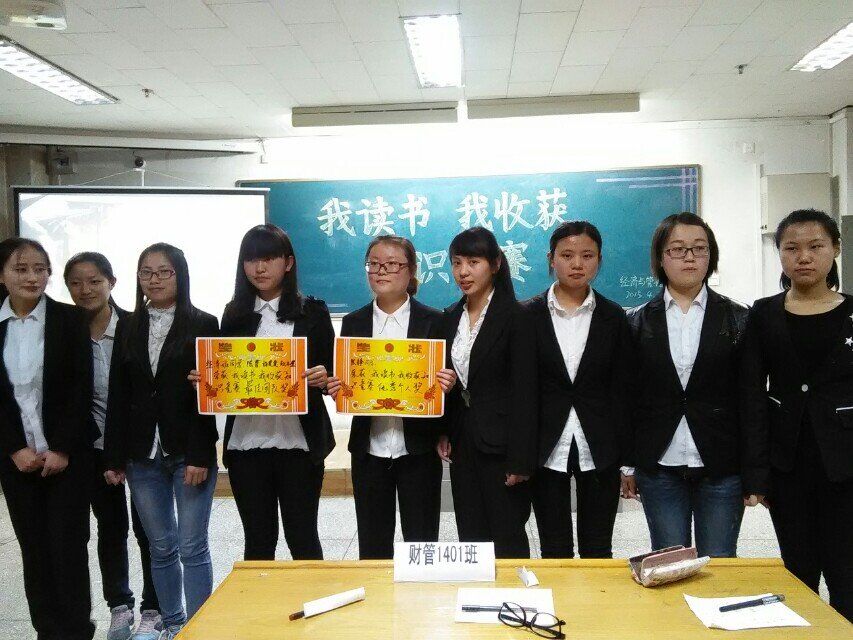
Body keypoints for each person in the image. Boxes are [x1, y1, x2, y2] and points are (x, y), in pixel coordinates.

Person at [740, 209, 853, 622]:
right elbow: (751, 395)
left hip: (845, 464)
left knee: (846, 572)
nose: (803, 257)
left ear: (835, 249)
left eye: (815, 246)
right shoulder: (763, 313)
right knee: (798, 571)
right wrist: (756, 473)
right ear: (780, 254)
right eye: (791, 248)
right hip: (787, 463)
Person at [104, 243, 219, 640]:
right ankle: (173, 623)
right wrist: (114, 457)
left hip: (188, 452)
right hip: (141, 455)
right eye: (146, 272)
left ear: (179, 276)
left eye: (163, 271)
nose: (154, 280)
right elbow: (119, 393)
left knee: (191, 545)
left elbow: (209, 397)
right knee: (161, 547)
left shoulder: (204, 323)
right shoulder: (128, 325)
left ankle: (200, 627)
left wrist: (201, 453)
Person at [623, 212, 748, 558]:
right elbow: (628, 397)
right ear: (661, 258)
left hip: (721, 464)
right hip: (659, 465)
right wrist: (628, 465)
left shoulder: (739, 318)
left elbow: (749, 398)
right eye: (678, 249)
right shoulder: (635, 321)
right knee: (669, 562)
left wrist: (754, 471)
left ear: (711, 255)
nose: (690, 257)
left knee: (719, 561)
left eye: (699, 248)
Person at [327, 235, 456, 559]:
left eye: (392, 264)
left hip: (418, 450)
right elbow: (348, 381)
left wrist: (448, 385)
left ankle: (419, 593)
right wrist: (338, 387)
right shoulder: (354, 322)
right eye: (374, 264)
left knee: (421, 544)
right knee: (373, 545)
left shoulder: (435, 320)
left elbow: (448, 383)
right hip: (369, 451)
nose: (381, 271)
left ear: (411, 271)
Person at [211, 224, 334, 560]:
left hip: (299, 443)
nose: (259, 268)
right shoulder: (234, 315)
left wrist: (324, 376)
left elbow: (333, 375)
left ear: (288, 263)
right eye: (251, 260)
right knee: (258, 542)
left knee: (303, 538)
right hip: (247, 443)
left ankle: (312, 595)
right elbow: (225, 371)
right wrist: (208, 378)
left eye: (268, 259)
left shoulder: (314, 312)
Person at [517, 221, 630, 558]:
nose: (577, 264)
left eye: (587, 256)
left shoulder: (614, 316)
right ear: (551, 259)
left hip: (600, 444)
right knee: (554, 548)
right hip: (545, 445)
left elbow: (623, 390)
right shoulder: (526, 315)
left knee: (599, 547)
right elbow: (521, 389)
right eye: (567, 255)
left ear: (599, 260)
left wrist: (628, 461)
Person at [0, 237, 95, 640]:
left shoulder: (70, 319)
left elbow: (81, 388)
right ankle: (48, 631)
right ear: (2, 275)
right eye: (21, 269)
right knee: (34, 551)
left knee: (68, 548)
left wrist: (62, 448)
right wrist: (13, 448)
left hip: (65, 459)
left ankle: (77, 630)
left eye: (40, 269)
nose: (32, 277)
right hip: (16, 460)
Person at [64, 252, 162, 640]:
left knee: (149, 528)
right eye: (76, 283)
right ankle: (119, 605)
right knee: (110, 527)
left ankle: (153, 608)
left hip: (139, 446)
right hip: (92, 447)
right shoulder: (65, 331)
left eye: (94, 281)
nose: (85, 289)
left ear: (112, 282)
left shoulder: (137, 326)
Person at [436, 226, 534, 559]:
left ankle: (513, 591)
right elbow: (455, 382)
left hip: (504, 447)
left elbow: (526, 392)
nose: (463, 272)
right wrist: (445, 430)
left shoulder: (517, 317)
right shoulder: (450, 317)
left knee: (507, 535)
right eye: (456, 263)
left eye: (473, 262)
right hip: (463, 443)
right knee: (471, 535)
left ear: (495, 264)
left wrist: (521, 459)